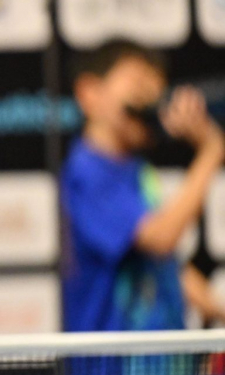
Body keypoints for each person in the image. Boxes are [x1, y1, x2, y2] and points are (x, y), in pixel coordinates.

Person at [61, 40, 225, 341]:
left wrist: (218, 309)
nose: (150, 100)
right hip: (113, 366)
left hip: (165, 364)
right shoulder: (86, 172)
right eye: (137, 83)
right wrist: (211, 151)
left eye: (156, 91)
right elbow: (160, 238)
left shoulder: (138, 171)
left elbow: (165, 266)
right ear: (89, 93)